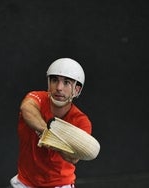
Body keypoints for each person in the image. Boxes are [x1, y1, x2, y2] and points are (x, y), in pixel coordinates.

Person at [10, 58, 92, 188]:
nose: (59, 88)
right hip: (24, 183)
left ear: (76, 90)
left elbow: (73, 157)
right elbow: (27, 109)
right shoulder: (36, 98)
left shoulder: (81, 121)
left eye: (66, 83)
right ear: (49, 83)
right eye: (54, 80)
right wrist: (48, 132)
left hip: (61, 185)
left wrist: (52, 140)